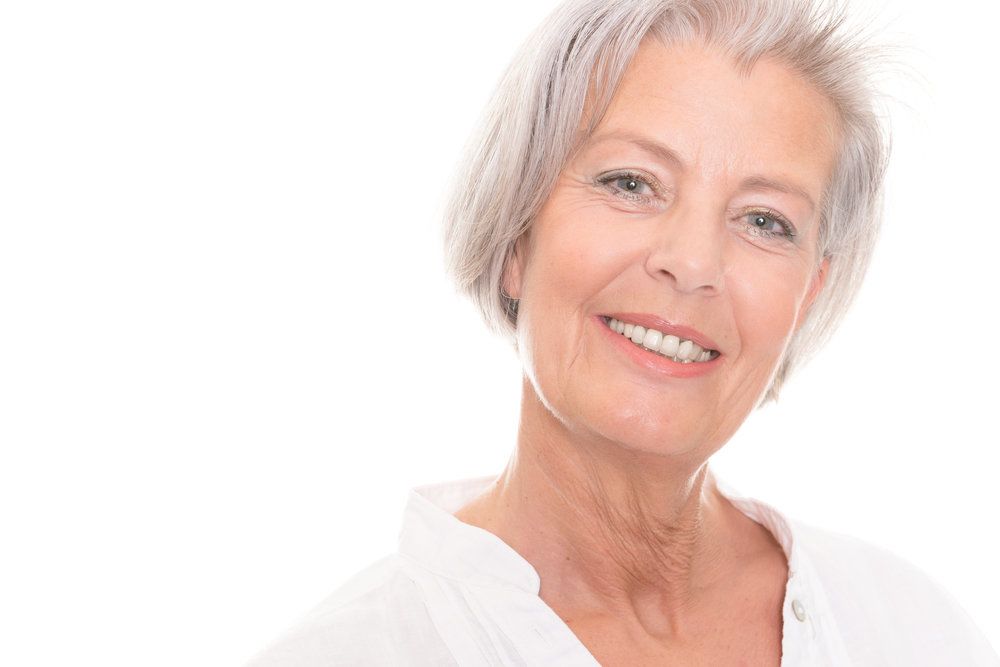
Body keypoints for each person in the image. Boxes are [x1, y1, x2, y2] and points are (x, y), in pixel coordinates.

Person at [247, 0, 1000, 664]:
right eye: (631, 183)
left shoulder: (915, 631)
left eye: (765, 221)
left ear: (807, 294)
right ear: (517, 236)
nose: (693, 263)